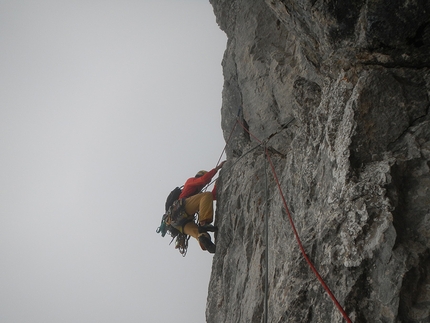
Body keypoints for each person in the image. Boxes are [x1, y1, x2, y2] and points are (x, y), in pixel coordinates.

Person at [176, 161, 225, 253]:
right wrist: (217, 168)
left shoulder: (198, 195)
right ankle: (203, 223)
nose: (205, 184)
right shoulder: (190, 182)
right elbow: (203, 180)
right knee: (206, 195)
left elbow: (213, 196)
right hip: (182, 209)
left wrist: (216, 185)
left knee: (201, 234)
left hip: (179, 223)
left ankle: (206, 244)